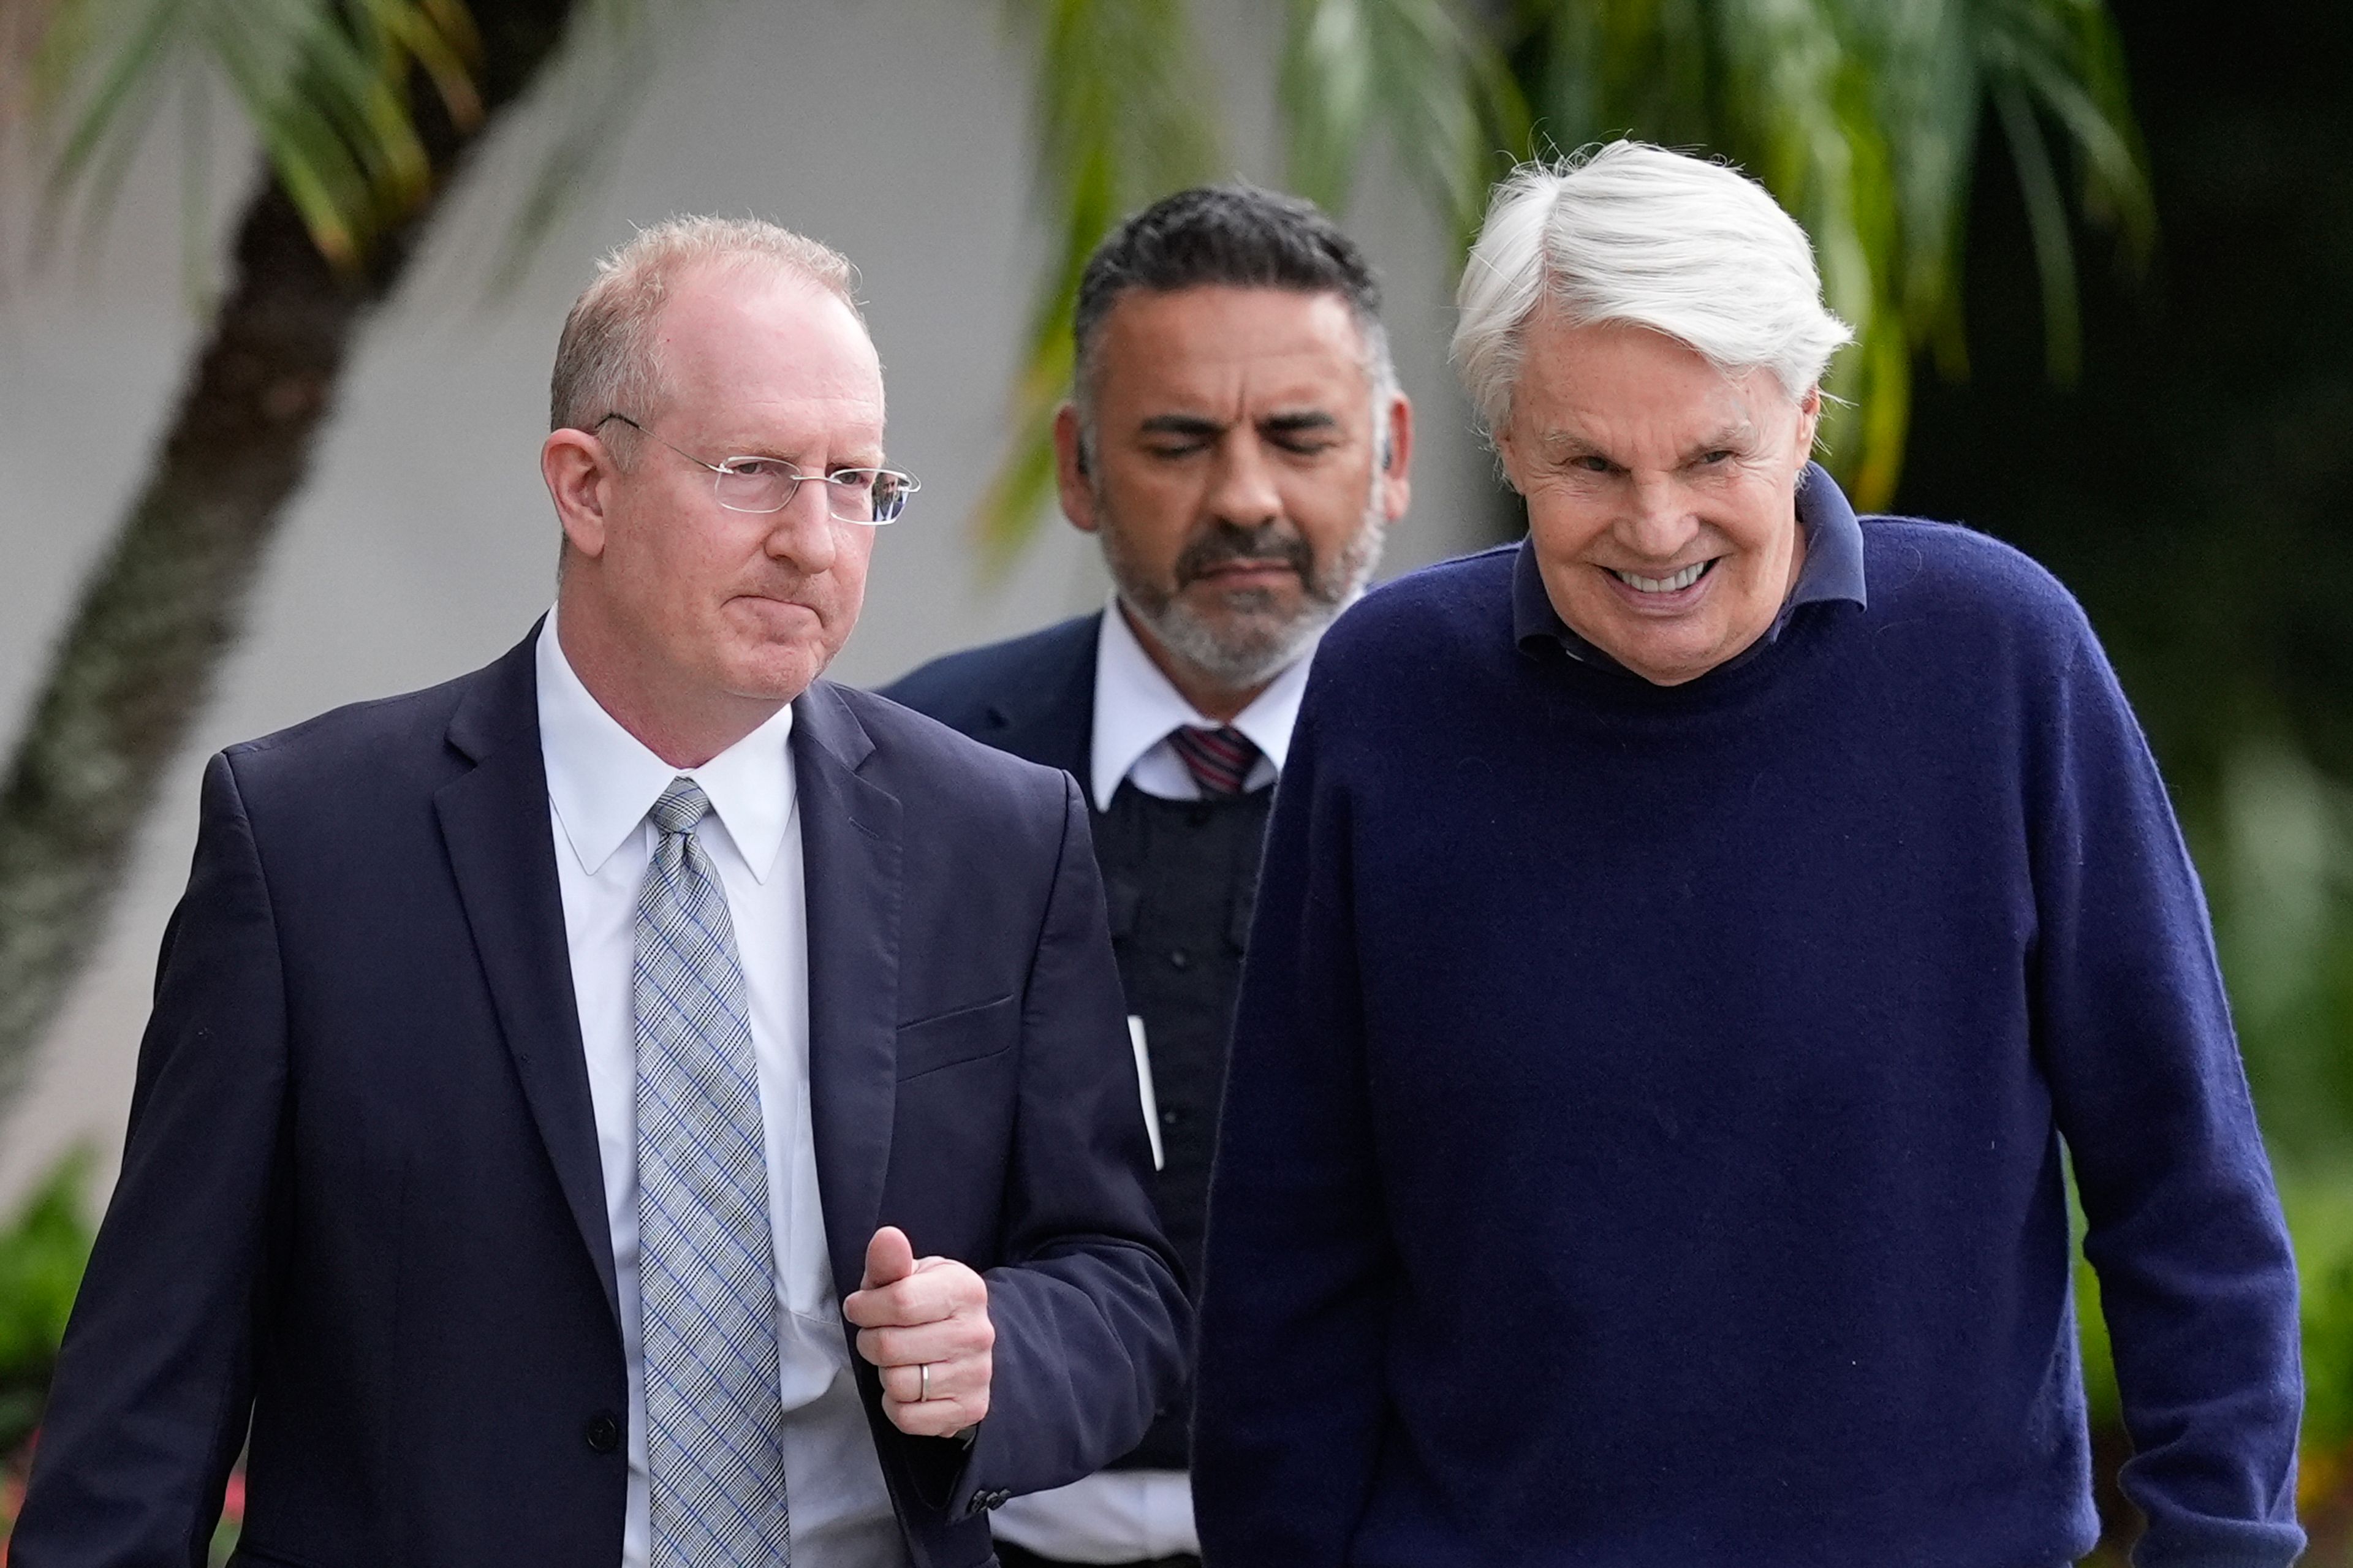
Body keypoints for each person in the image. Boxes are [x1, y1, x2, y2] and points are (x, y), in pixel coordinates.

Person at [1192, 142, 2305, 1567]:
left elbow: (2186, 1178)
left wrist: (2222, 1543)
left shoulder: (1998, 655)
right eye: (1590, 461)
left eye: (1713, 455)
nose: (1657, 527)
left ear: (1805, 419)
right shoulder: (1390, 696)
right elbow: (1294, 1228)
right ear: (1508, 441)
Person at [13, 218, 1187, 1568]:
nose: (816, 538)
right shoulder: (309, 845)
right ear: (586, 484)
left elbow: (1123, 1284)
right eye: (753, 472)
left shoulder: (1001, 834)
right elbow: (149, 1390)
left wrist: (998, 1353)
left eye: (857, 481)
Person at [885, 184, 1411, 1568]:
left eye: (1300, 436)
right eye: (1180, 440)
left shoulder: (1511, 776)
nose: (1246, 496)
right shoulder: (912, 769)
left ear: (1394, 453)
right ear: (1078, 467)